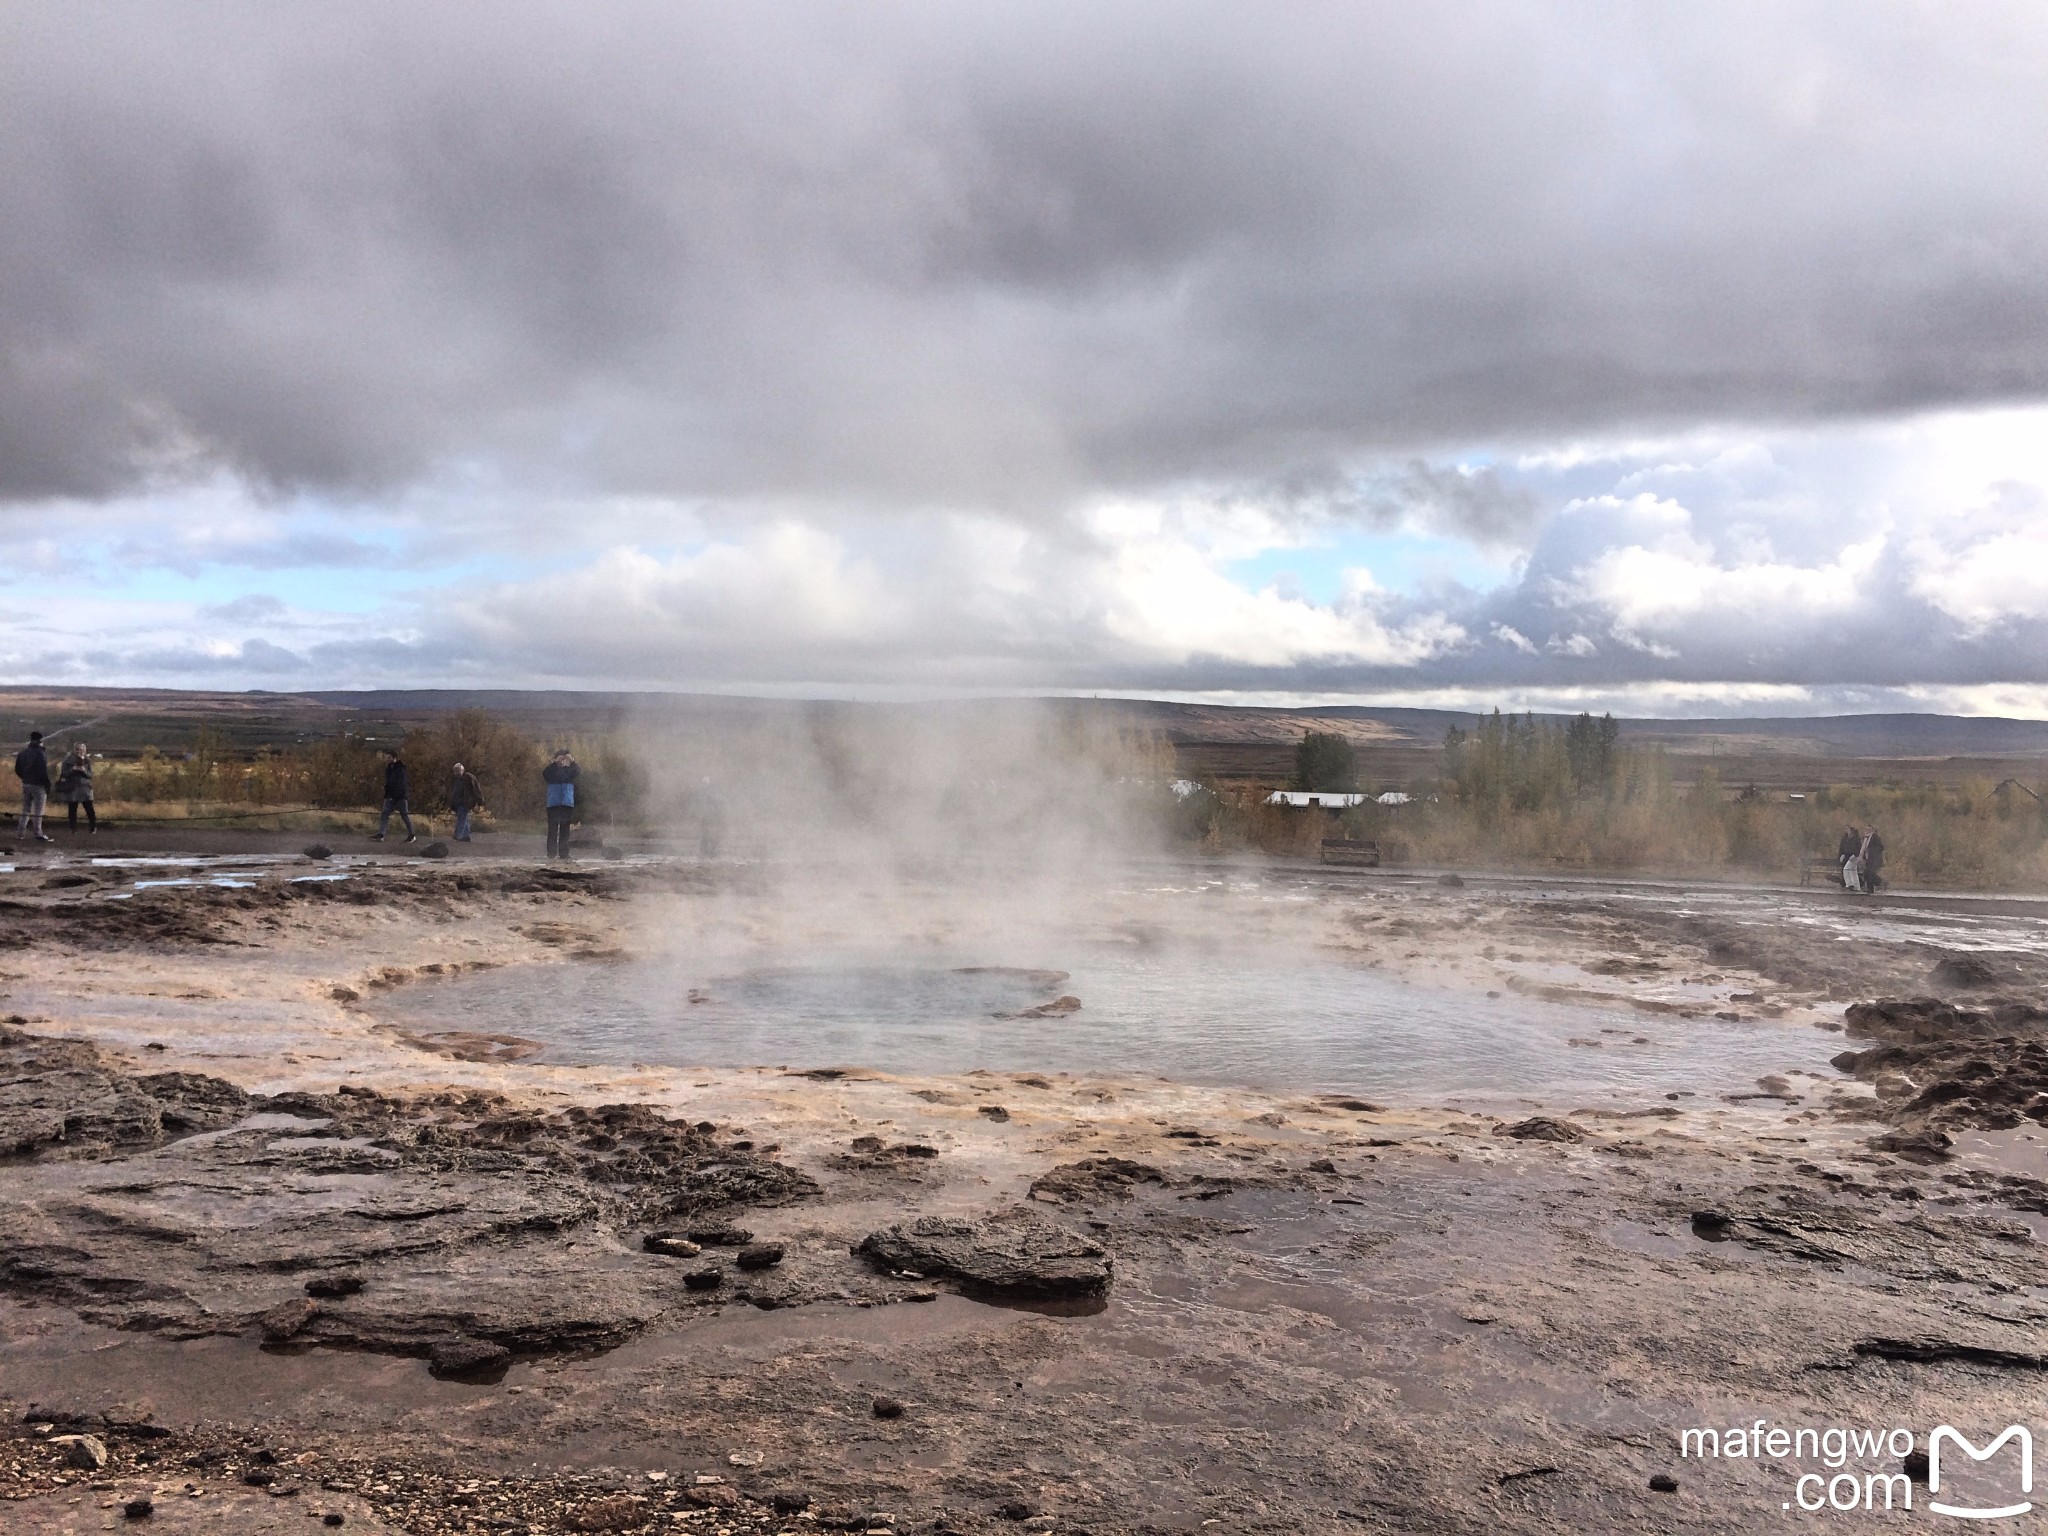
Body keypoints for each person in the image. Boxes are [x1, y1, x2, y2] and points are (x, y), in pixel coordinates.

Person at [13, 730, 52, 843]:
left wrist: (25, 778)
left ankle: (20, 833)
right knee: (38, 811)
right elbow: (43, 771)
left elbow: (17, 769)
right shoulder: (41, 754)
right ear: (40, 741)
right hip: (38, 785)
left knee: (25, 810)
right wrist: (47, 784)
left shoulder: (23, 753)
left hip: (26, 784)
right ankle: (38, 833)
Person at [542, 748, 580, 860]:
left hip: (566, 803)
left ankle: (564, 853)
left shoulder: (569, 771)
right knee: (552, 829)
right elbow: (545, 774)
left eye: (564, 759)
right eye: (560, 758)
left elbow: (578, 771)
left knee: (565, 829)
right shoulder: (551, 771)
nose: (562, 761)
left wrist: (572, 761)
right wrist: (554, 763)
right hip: (553, 803)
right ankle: (551, 853)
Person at [373, 747, 416, 842]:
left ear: (394, 758)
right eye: (386, 758)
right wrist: (387, 794)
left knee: (404, 815)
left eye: (388, 758)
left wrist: (394, 796)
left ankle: (412, 834)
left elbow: (401, 784)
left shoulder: (400, 769)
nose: (387, 760)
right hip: (390, 796)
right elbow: (389, 783)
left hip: (400, 797)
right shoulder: (388, 769)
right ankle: (381, 834)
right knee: (384, 814)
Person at [56, 743, 96, 834]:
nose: (79, 751)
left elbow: (90, 775)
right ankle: (72, 828)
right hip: (72, 787)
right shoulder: (67, 760)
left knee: (89, 808)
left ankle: (93, 827)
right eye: (77, 749)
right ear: (74, 750)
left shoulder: (87, 760)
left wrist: (84, 770)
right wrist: (72, 769)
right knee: (72, 809)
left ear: (85, 750)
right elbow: (63, 774)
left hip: (85, 787)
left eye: (81, 749)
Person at [449, 761, 484, 842]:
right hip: (456, 802)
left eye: (458, 771)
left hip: (466, 802)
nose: (456, 773)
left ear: (462, 770)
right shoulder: (454, 779)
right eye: (455, 771)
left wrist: (480, 801)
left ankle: (458, 834)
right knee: (465, 818)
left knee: (462, 817)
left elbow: (476, 789)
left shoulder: (469, 778)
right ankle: (466, 836)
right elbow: (451, 790)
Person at [1860, 827, 1886, 893]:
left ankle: (1870, 888)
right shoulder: (1865, 838)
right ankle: (1880, 883)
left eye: (1869, 829)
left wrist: (1874, 852)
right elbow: (1863, 849)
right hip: (1868, 859)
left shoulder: (1875, 837)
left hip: (1875, 859)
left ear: (1872, 830)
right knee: (1866, 873)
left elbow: (1881, 847)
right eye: (1866, 828)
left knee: (1870, 873)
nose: (1867, 830)